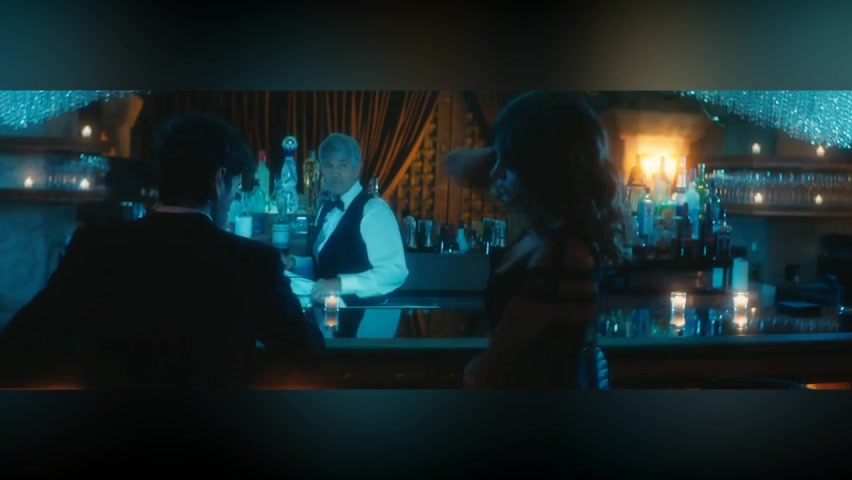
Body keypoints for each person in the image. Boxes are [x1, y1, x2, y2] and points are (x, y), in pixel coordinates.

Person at [0, 113, 325, 388]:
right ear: (219, 181)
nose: (232, 200)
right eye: (236, 189)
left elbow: (22, 340)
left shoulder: (94, 247)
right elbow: (307, 352)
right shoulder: (254, 262)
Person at [445, 91, 626, 389]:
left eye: (508, 162)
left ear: (541, 170)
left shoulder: (563, 253)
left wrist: (463, 375)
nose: (496, 172)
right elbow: (460, 164)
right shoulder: (545, 236)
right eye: (496, 159)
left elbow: (492, 369)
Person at [284, 133, 408, 338]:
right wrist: (294, 263)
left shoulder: (373, 210)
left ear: (357, 169)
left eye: (342, 165)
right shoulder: (326, 208)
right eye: (328, 165)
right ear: (321, 170)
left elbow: (394, 272)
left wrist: (340, 284)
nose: (334, 173)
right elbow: (328, 265)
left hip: (367, 323)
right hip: (332, 318)